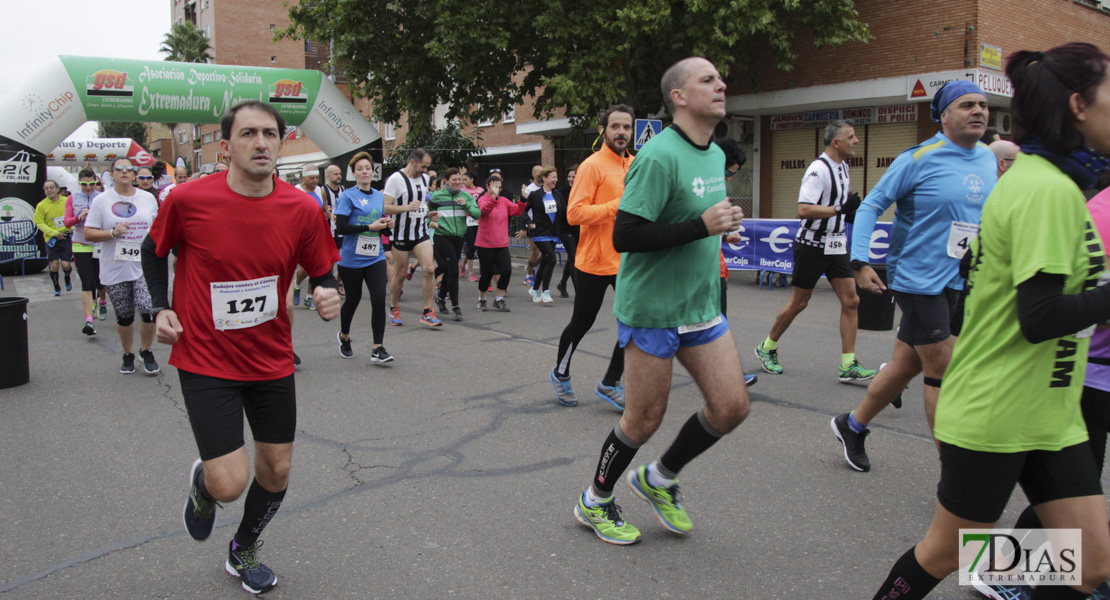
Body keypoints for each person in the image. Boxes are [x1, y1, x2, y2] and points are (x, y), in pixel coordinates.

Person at [869, 42, 1110, 600]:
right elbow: (1041, 315)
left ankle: (994, 572)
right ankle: (983, 571)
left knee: (1089, 562)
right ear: (1077, 104)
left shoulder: (1062, 187)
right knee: (945, 552)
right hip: (998, 411)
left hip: (1052, 413)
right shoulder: (1044, 189)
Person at [142, 100, 341, 595]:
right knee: (230, 483)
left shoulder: (301, 207)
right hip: (206, 359)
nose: (261, 143)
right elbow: (153, 250)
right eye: (249, 134)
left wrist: (326, 289)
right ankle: (206, 483)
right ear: (226, 146)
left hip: (270, 357)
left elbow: (322, 267)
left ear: (281, 142)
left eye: (270, 134)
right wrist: (159, 308)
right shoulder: (187, 200)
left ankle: (244, 547)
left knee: (277, 468)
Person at [573, 57, 750, 545]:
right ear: (679, 96)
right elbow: (627, 234)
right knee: (643, 419)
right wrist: (700, 227)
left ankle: (660, 478)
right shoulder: (658, 156)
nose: (721, 85)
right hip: (653, 310)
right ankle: (595, 500)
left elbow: (700, 218)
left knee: (732, 407)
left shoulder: (713, 154)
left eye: (720, 79)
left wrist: (720, 233)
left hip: (700, 307)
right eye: (708, 80)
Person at [829, 80, 998, 472]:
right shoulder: (920, 158)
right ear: (943, 115)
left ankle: (851, 426)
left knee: (907, 364)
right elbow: (871, 205)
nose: (978, 111)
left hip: (961, 279)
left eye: (983, 105)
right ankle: (955, 475)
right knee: (941, 366)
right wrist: (861, 261)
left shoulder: (989, 158)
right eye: (967, 105)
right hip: (919, 278)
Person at [754, 119, 875, 382]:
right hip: (811, 245)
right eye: (851, 137)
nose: (856, 141)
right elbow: (804, 210)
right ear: (836, 142)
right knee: (799, 302)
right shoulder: (818, 170)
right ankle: (767, 347)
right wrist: (839, 209)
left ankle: (848, 364)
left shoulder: (844, 166)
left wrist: (848, 213)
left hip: (836, 244)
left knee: (852, 301)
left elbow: (840, 206)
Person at [550, 104, 634, 409]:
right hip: (595, 262)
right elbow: (574, 214)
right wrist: (616, 205)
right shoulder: (592, 165)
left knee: (637, 322)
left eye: (626, 127)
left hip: (628, 260)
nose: (621, 132)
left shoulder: (636, 164)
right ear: (604, 131)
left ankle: (611, 382)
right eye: (615, 127)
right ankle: (561, 374)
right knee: (582, 322)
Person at [84, 158, 160, 375]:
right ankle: (128, 354)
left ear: (134, 175)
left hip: (143, 264)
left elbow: (156, 228)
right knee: (125, 315)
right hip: (115, 265)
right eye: (120, 169)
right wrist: (112, 233)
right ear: (112, 174)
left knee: (147, 309)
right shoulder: (101, 201)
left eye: (129, 169)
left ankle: (146, 350)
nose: (125, 172)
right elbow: (89, 233)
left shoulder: (147, 199)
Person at [334, 152, 394, 362]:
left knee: (378, 299)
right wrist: (370, 226)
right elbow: (341, 228)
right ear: (354, 174)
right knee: (353, 299)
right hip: (351, 259)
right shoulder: (347, 196)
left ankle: (378, 347)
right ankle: (344, 336)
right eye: (360, 169)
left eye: (367, 168)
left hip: (375, 256)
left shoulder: (378, 196)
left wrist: (386, 226)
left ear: (373, 171)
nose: (365, 172)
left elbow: (379, 228)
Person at [385, 149, 441, 327]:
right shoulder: (396, 179)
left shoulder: (424, 179)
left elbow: (421, 203)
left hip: (420, 233)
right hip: (401, 234)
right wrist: (405, 208)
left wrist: (428, 214)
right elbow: (385, 207)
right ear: (412, 162)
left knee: (430, 269)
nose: (425, 171)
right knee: (400, 274)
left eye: (427, 167)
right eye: (423, 167)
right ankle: (394, 308)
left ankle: (427, 312)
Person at [429, 167, 479, 320]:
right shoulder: (437, 196)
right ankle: (456, 307)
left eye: (459, 179)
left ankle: (440, 298)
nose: (457, 182)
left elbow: (477, 214)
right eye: (454, 180)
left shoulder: (465, 196)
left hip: (458, 238)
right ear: (446, 181)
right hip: (442, 236)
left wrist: (466, 205)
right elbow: (427, 213)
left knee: (449, 269)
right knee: (453, 270)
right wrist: (430, 221)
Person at [64, 169, 109, 334]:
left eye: (91, 184)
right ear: (79, 183)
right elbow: (67, 222)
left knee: (100, 282)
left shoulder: (102, 197)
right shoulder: (72, 198)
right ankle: (89, 321)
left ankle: (102, 301)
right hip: (80, 244)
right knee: (87, 283)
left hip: (99, 244)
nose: (88, 188)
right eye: (84, 184)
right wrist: (78, 217)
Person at [475, 174, 527, 311]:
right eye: (495, 186)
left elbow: (516, 210)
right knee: (486, 274)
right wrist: (494, 198)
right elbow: (484, 210)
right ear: (487, 186)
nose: (498, 189)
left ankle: (499, 299)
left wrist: (523, 198)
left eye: (500, 187)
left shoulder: (504, 200)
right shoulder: (482, 199)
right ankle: (482, 298)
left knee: (506, 271)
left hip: (501, 243)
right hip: (485, 244)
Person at [524, 167, 560, 303]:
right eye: (553, 177)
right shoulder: (536, 194)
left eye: (556, 177)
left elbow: (562, 213)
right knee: (552, 259)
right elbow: (524, 212)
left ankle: (534, 289)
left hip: (553, 233)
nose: (556, 180)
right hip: (539, 233)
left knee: (545, 261)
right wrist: (529, 222)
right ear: (544, 178)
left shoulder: (557, 194)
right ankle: (545, 291)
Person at [292, 164, 325, 310]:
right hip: (299, 234)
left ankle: (309, 297)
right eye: (312, 177)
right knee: (304, 269)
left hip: (316, 234)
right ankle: (297, 285)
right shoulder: (295, 191)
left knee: (315, 267)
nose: (315, 180)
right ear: (303, 177)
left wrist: (331, 216)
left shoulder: (320, 191)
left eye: (317, 177)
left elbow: (323, 210)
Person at [33, 180, 73, 297]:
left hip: (66, 236)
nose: (49, 190)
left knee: (65, 264)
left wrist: (72, 226)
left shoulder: (67, 201)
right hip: (51, 239)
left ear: (57, 189)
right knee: (54, 264)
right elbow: (39, 223)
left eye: (51, 187)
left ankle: (67, 277)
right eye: (46, 188)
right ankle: (56, 287)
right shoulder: (41, 205)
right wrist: (54, 233)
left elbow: (75, 216)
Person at [553, 164, 578, 298]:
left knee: (572, 258)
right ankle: (579, 291)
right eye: (569, 176)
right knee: (574, 256)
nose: (570, 179)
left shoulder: (584, 190)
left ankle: (562, 283)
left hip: (579, 228)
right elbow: (560, 211)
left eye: (573, 176)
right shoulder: (561, 192)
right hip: (565, 228)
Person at [460, 171, 483, 282]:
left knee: (476, 246)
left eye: (465, 179)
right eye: (462, 180)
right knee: (471, 246)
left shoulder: (480, 190)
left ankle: (463, 265)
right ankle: (471, 273)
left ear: (471, 179)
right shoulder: (462, 191)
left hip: (478, 220)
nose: (463, 182)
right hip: (467, 221)